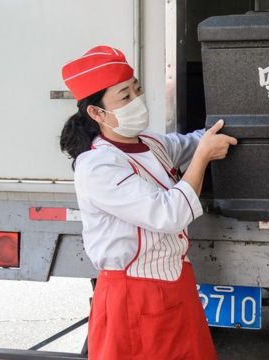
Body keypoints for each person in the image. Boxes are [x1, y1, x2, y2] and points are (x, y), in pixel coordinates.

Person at [59, 45, 237, 360]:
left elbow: (193, 142)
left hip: (176, 282)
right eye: (125, 96)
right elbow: (168, 214)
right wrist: (203, 158)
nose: (136, 101)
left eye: (137, 90)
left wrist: (232, 127)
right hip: (134, 294)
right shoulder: (98, 166)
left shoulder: (151, 143)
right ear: (97, 113)